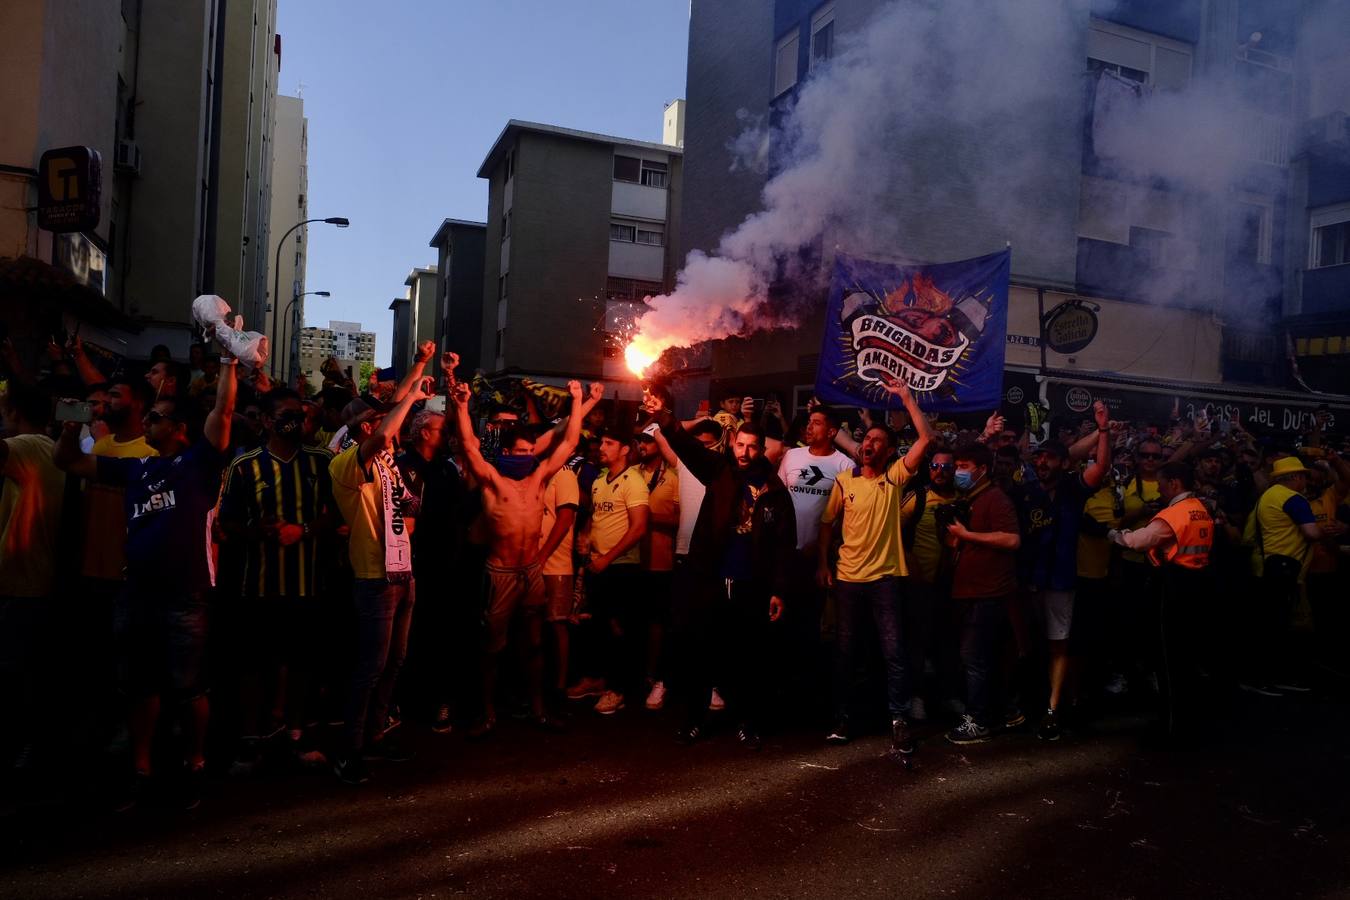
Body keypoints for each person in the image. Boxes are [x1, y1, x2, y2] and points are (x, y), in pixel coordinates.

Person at [54, 337, 240, 811]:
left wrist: (226, 360)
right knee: (140, 685)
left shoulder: (198, 463)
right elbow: (70, 462)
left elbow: (222, 411)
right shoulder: (136, 468)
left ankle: (194, 762)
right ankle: (141, 768)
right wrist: (72, 427)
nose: (148, 422)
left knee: (188, 686)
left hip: (187, 595)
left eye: (156, 417)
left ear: (179, 428)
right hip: (136, 592)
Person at [644, 388, 795, 750]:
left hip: (751, 584)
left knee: (749, 658)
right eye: (739, 445)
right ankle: (695, 720)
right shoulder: (719, 472)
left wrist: (778, 590)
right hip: (711, 580)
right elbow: (686, 445)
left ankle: (748, 722)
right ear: (733, 446)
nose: (744, 452)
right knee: (702, 653)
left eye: (752, 447)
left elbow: (782, 547)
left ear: (762, 450)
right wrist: (664, 414)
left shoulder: (775, 491)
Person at [451, 379, 594, 736]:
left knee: (534, 641)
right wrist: (461, 404)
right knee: (492, 647)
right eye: (520, 452)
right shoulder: (492, 479)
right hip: (499, 572)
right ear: (506, 452)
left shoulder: (539, 479)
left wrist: (577, 400)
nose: (526, 457)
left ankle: (539, 709)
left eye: (531, 451)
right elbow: (469, 445)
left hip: (531, 570)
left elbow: (571, 441)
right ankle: (487, 713)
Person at [218, 387, 335, 773]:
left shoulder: (321, 461)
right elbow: (227, 523)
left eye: (300, 415)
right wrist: (260, 532)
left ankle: (296, 733)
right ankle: (252, 738)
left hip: (307, 584)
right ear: (266, 420)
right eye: (287, 414)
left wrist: (302, 530)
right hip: (259, 584)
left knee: (302, 662)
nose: (296, 422)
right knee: (255, 664)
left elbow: (336, 515)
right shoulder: (245, 465)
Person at [328, 379, 435, 785]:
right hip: (374, 578)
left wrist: (419, 372)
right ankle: (349, 750)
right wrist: (411, 398)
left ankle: (375, 735)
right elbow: (389, 430)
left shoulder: (388, 468)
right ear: (366, 429)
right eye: (377, 421)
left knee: (395, 662)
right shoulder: (346, 464)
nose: (386, 427)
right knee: (370, 668)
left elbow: (408, 510)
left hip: (401, 572)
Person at [817, 380, 932, 756]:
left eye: (878, 441)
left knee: (894, 650)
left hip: (884, 579)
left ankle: (898, 719)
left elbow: (925, 440)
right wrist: (823, 564)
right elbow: (827, 524)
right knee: (845, 651)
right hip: (848, 579)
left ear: (889, 451)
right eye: (866, 439)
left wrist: (906, 399)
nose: (869, 444)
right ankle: (841, 718)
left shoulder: (893, 477)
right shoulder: (844, 480)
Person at [1021, 399, 1110, 741]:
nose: (1042, 462)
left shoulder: (1073, 490)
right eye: (1039, 457)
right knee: (1024, 642)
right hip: (1028, 579)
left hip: (1060, 581)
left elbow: (1100, 467)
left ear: (1064, 463)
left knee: (1059, 645)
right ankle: (1024, 700)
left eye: (1050, 458)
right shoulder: (1025, 490)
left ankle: (1052, 710)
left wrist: (1102, 429)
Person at [1108, 461, 1214, 742]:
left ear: (1175, 483)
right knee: (1185, 657)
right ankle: (1184, 721)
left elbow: (1137, 542)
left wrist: (1111, 533)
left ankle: (1173, 727)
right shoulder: (1200, 508)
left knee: (1168, 658)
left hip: (1173, 587)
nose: (1160, 488)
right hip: (1195, 583)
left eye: (1163, 483)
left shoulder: (1174, 515)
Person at [0, 383, 65, 770]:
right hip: (34, 580)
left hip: (22, 583)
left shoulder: (27, 445)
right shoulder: (51, 446)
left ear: (14, 413)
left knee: (14, 673)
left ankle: (24, 747)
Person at [942, 444, 1021, 745]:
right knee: (977, 657)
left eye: (964, 465)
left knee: (974, 658)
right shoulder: (969, 499)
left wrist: (967, 536)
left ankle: (978, 721)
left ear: (982, 469)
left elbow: (1012, 539)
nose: (958, 471)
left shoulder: (996, 499)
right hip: (968, 591)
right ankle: (1003, 711)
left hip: (986, 593)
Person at [778, 407, 854, 707]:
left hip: (816, 557)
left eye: (817, 423)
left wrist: (825, 545)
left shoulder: (843, 464)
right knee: (782, 619)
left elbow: (847, 514)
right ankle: (781, 685)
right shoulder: (792, 457)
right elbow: (778, 497)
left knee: (811, 622)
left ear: (833, 431)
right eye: (809, 422)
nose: (810, 427)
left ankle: (806, 690)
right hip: (786, 554)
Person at [576, 424, 651, 717]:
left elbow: (639, 527)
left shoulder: (634, 481)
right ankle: (596, 679)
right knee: (596, 624)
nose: (602, 448)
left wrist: (607, 558)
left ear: (624, 449)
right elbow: (596, 516)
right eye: (601, 442)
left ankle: (618, 690)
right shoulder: (599, 481)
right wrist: (585, 535)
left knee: (619, 628)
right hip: (598, 564)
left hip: (621, 567)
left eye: (609, 443)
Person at [1242, 456, 1323, 696]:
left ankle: (1264, 676)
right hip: (1284, 566)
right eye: (1304, 476)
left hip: (1267, 564)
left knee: (1266, 623)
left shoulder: (1268, 496)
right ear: (1296, 477)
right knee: (1275, 625)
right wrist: (1323, 530)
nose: (1306, 481)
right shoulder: (1294, 499)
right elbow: (1310, 533)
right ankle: (1264, 678)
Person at [898, 447, 961, 721]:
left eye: (946, 467)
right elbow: (893, 529)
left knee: (948, 642)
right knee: (918, 643)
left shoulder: (963, 498)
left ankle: (949, 696)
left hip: (951, 583)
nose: (940, 472)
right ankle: (916, 697)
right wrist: (909, 562)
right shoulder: (918, 496)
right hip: (919, 584)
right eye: (935, 466)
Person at [635, 428, 679, 710]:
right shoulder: (631, 473)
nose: (642, 444)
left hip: (662, 560)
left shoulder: (674, 477)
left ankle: (656, 674)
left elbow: (680, 519)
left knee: (658, 623)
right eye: (639, 439)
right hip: (632, 559)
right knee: (636, 620)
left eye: (648, 440)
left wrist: (644, 515)